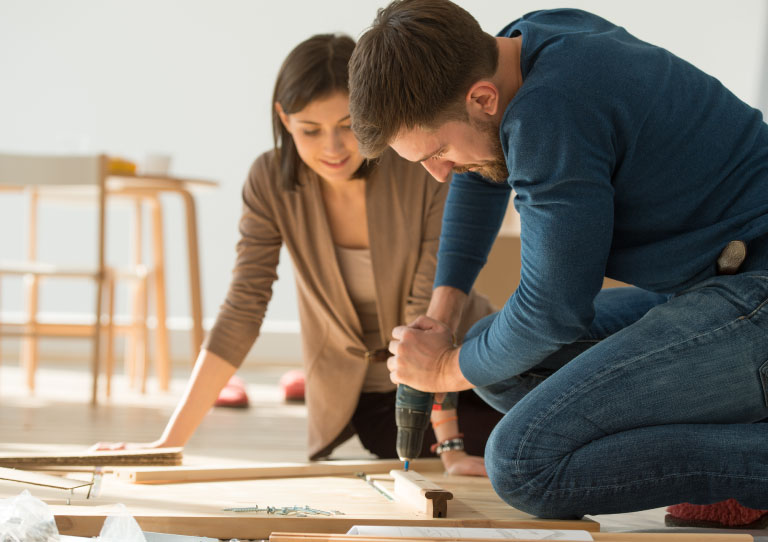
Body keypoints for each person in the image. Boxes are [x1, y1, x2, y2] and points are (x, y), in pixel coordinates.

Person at [347, 0, 768, 520]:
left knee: (525, 465)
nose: (438, 173)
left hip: (756, 295)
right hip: (713, 283)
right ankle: (735, 423)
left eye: (436, 152)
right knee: (491, 358)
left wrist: (442, 369)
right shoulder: (521, 44)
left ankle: (744, 465)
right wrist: (443, 316)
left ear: (482, 98)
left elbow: (552, 309)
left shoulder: (550, 111)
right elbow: (479, 183)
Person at [94, 33, 502, 475]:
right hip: (378, 401)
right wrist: (167, 443)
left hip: (470, 364)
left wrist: (452, 448)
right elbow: (242, 309)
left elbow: (426, 318)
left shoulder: (420, 166)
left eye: (348, 126)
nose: (332, 148)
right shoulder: (269, 180)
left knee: (528, 431)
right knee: (474, 446)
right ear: (283, 119)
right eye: (310, 130)